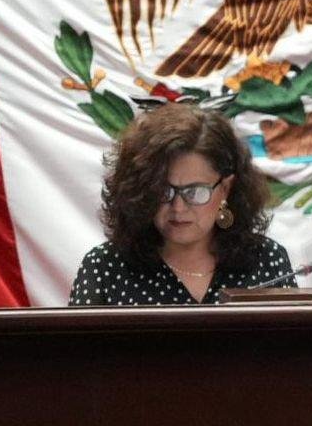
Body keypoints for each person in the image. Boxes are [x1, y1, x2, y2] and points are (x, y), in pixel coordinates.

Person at [69, 103, 293, 305]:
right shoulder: (105, 268)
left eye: (195, 192)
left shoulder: (266, 261)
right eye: (163, 190)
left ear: (225, 188)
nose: (178, 207)